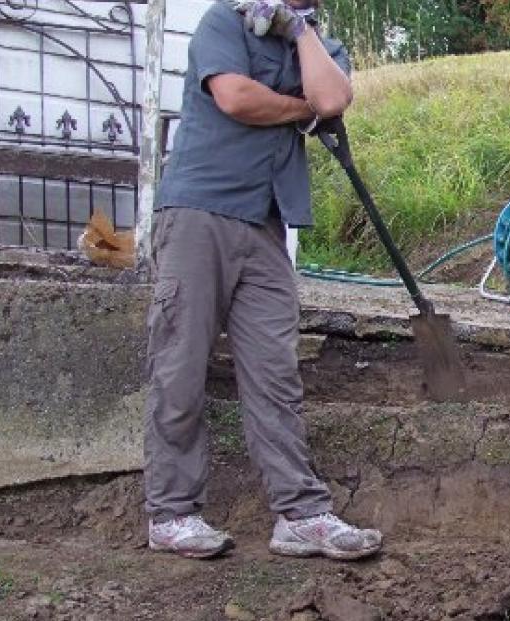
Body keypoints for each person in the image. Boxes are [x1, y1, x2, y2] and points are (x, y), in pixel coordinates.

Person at [144, 0, 382, 561]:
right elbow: (235, 97)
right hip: (199, 211)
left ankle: (300, 515)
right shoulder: (223, 21)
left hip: (267, 221)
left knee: (276, 374)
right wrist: (300, 110)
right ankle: (172, 513)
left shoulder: (317, 43)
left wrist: (300, 31)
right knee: (179, 365)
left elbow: (332, 99)